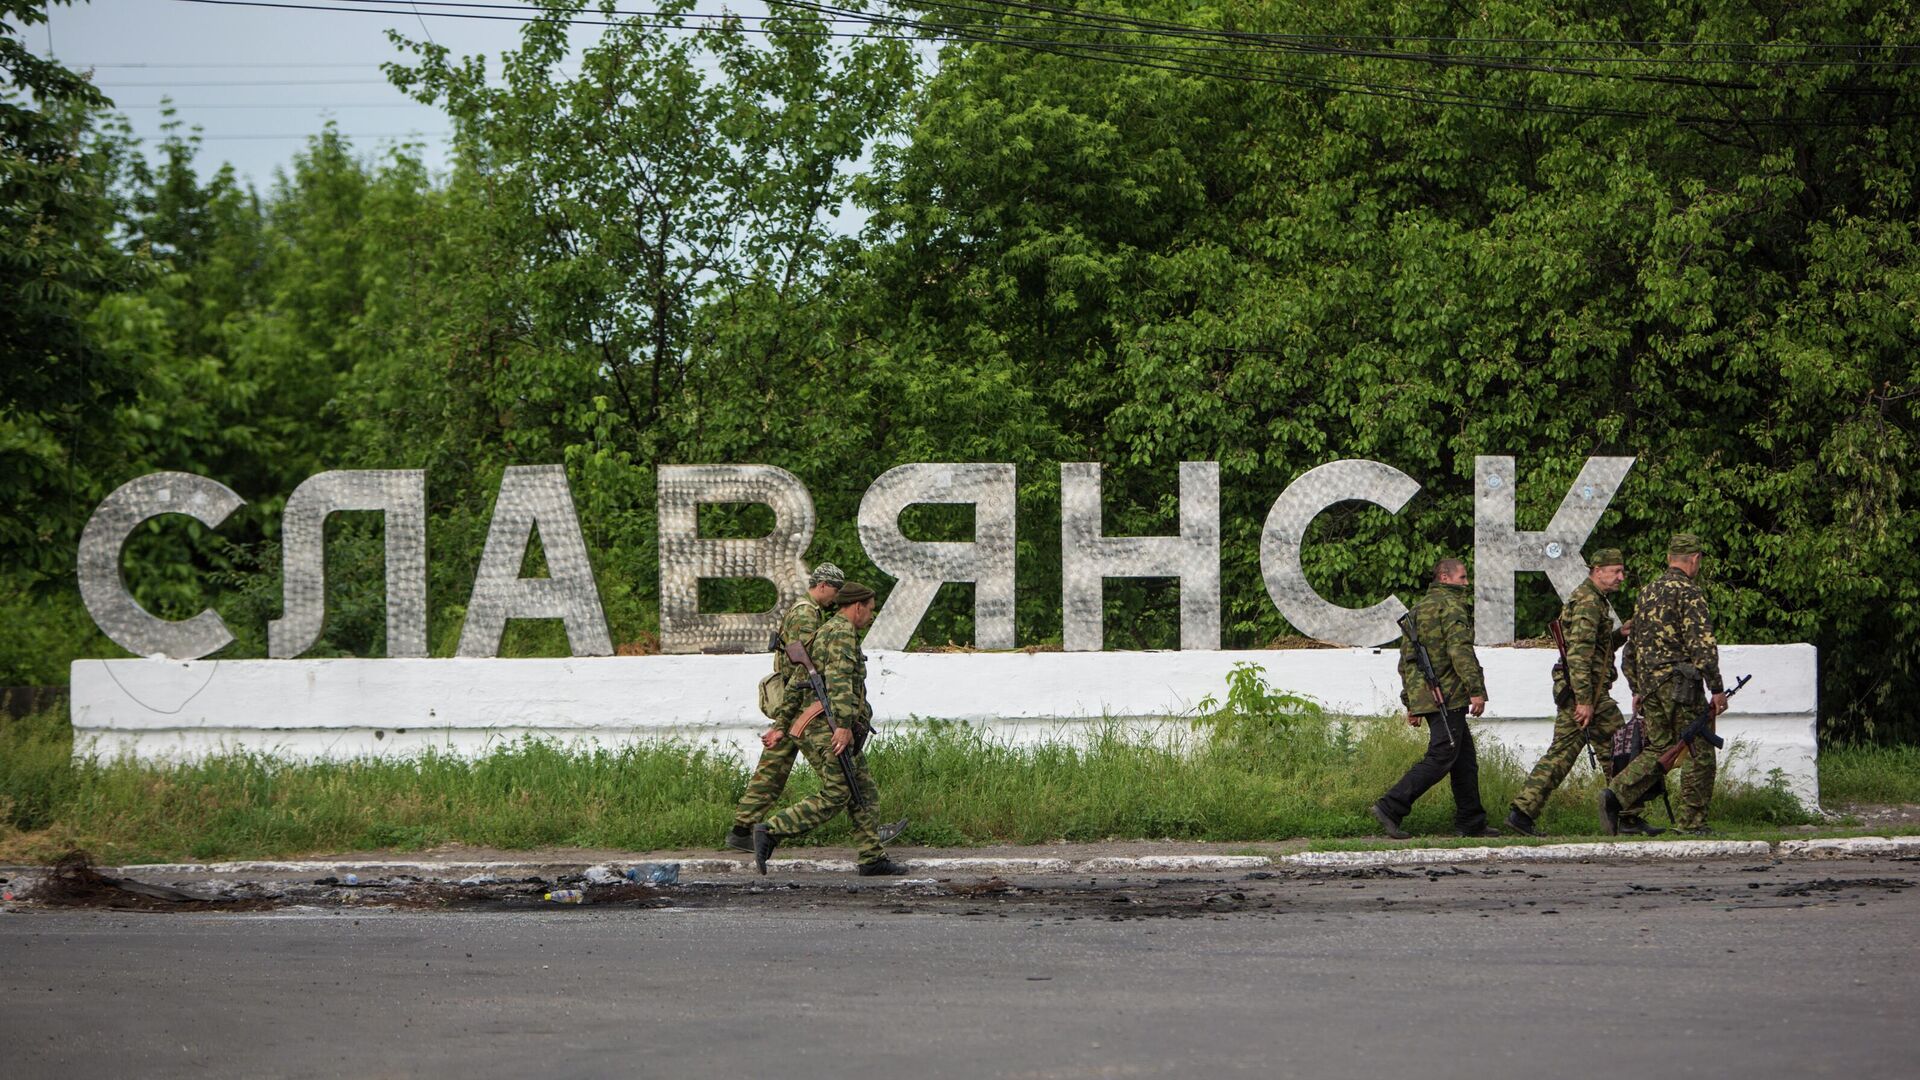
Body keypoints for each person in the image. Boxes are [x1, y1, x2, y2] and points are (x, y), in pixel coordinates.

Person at [753, 581, 906, 876]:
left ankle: (872, 858)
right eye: (870, 610)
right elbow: (839, 683)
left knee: (864, 790)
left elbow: (797, 683)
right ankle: (771, 830)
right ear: (858, 606)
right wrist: (844, 727)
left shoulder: (823, 632)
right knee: (837, 793)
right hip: (829, 728)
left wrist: (781, 726)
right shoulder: (841, 634)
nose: (871, 616)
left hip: (822, 725)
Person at [1506, 548, 1653, 836]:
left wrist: (1618, 636)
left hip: (1588, 694)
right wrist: (1584, 701)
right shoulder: (1588, 602)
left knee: (1609, 751)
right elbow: (1579, 655)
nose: (1621, 577)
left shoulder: (1594, 599)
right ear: (1598, 571)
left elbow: (1594, 646)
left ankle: (1626, 816)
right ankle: (1523, 812)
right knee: (1603, 751)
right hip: (1586, 696)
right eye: (1616, 572)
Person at [1601, 534, 1726, 836]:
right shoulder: (1689, 593)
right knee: (1700, 750)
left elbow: (1631, 647)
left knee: (1659, 747)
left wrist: (1637, 688)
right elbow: (1702, 646)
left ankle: (1617, 792)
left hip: (1651, 688)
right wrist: (1717, 688)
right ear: (1694, 559)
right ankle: (1691, 823)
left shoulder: (1648, 592)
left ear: (1670, 557)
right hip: (1682, 687)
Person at [1374, 558, 1499, 839]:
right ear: (1445, 577)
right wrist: (1476, 690)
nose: (1466, 583)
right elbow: (1460, 651)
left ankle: (1471, 821)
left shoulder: (1417, 610)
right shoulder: (1451, 606)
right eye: (1463, 578)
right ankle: (1391, 806)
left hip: (1428, 694)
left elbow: (1406, 661)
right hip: (1448, 695)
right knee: (1443, 754)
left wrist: (1411, 702)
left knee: (1464, 758)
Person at [723, 563, 843, 852]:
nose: (836, 598)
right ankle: (869, 828)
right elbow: (806, 661)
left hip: (793, 704)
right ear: (823, 585)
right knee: (839, 769)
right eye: (835, 591)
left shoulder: (803, 609)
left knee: (773, 769)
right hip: (801, 702)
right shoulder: (806, 613)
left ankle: (741, 829)